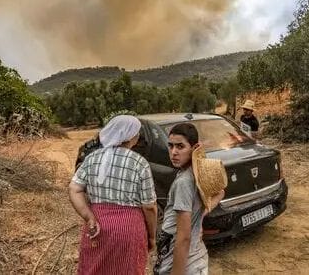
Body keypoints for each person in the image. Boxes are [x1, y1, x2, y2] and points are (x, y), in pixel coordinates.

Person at [69, 115, 157, 275]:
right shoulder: (139, 163)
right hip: (129, 230)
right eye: (137, 133)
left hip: (97, 226)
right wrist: (151, 236)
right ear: (132, 137)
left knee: (95, 269)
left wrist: (88, 216)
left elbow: (74, 188)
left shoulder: (92, 158)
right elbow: (149, 206)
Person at [154, 123, 226, 275]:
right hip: (196, 258)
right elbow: (220, 193)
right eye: (170, 146)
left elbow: (183, 238)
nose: (173, 152)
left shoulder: (183, 182)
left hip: (184, 264)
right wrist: (198, 217)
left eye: (180, 147)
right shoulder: (198, 173)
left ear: (194, 148)